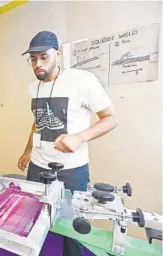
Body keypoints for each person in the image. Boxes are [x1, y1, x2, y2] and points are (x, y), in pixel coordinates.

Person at [17, 31, 117, 256]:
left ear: (58, 54)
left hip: (72, 170)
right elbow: (38, 122)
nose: (38, 64)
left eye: (44, 57)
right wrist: (27, 150)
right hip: (38, 166)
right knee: (34, 223)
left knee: (73, 229)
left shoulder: (82, 80)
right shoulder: (33, 88)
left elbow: (110, 118)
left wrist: (79, 137)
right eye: (33, 59)